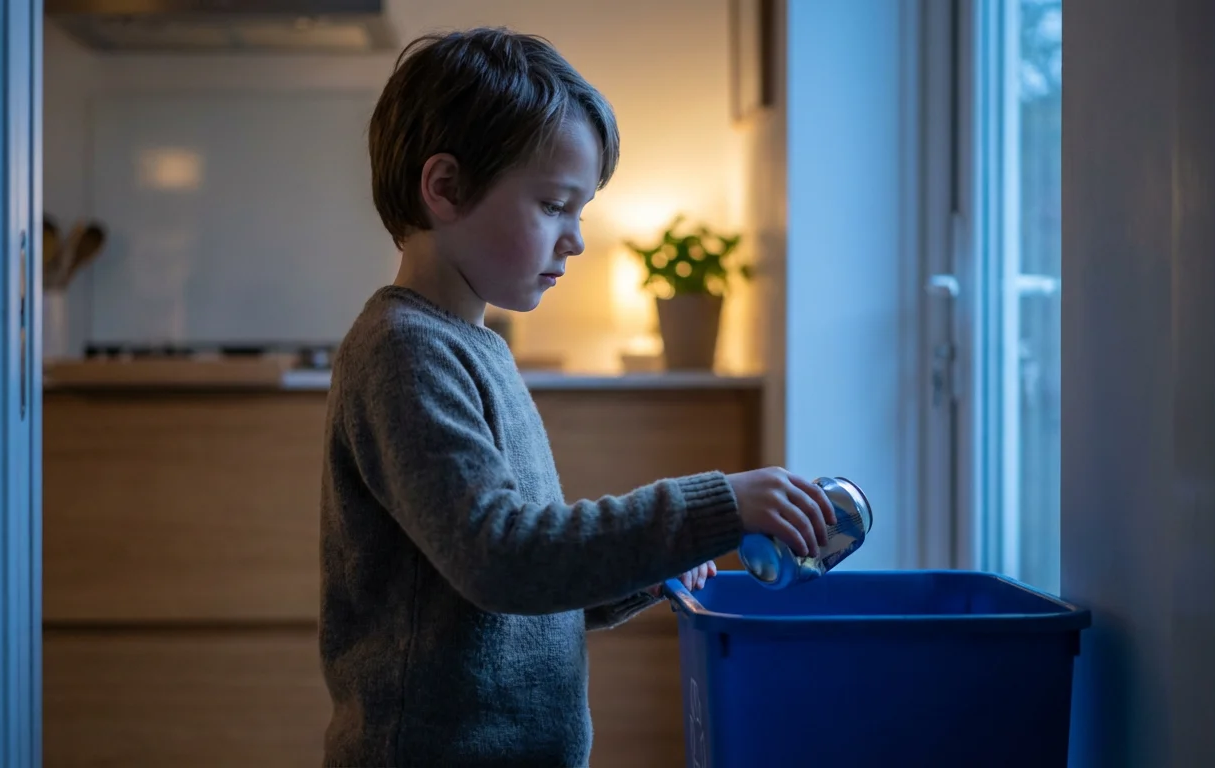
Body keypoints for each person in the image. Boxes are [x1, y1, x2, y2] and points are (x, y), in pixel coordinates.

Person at [319, 26, 836, 768]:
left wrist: (654, 565)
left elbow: (530, 586)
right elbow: (504, 559)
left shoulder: (474, 348)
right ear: (445, 188)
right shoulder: (405, 350)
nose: (577, 241)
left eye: (581, 210)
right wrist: (716, 504)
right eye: (555, 204)